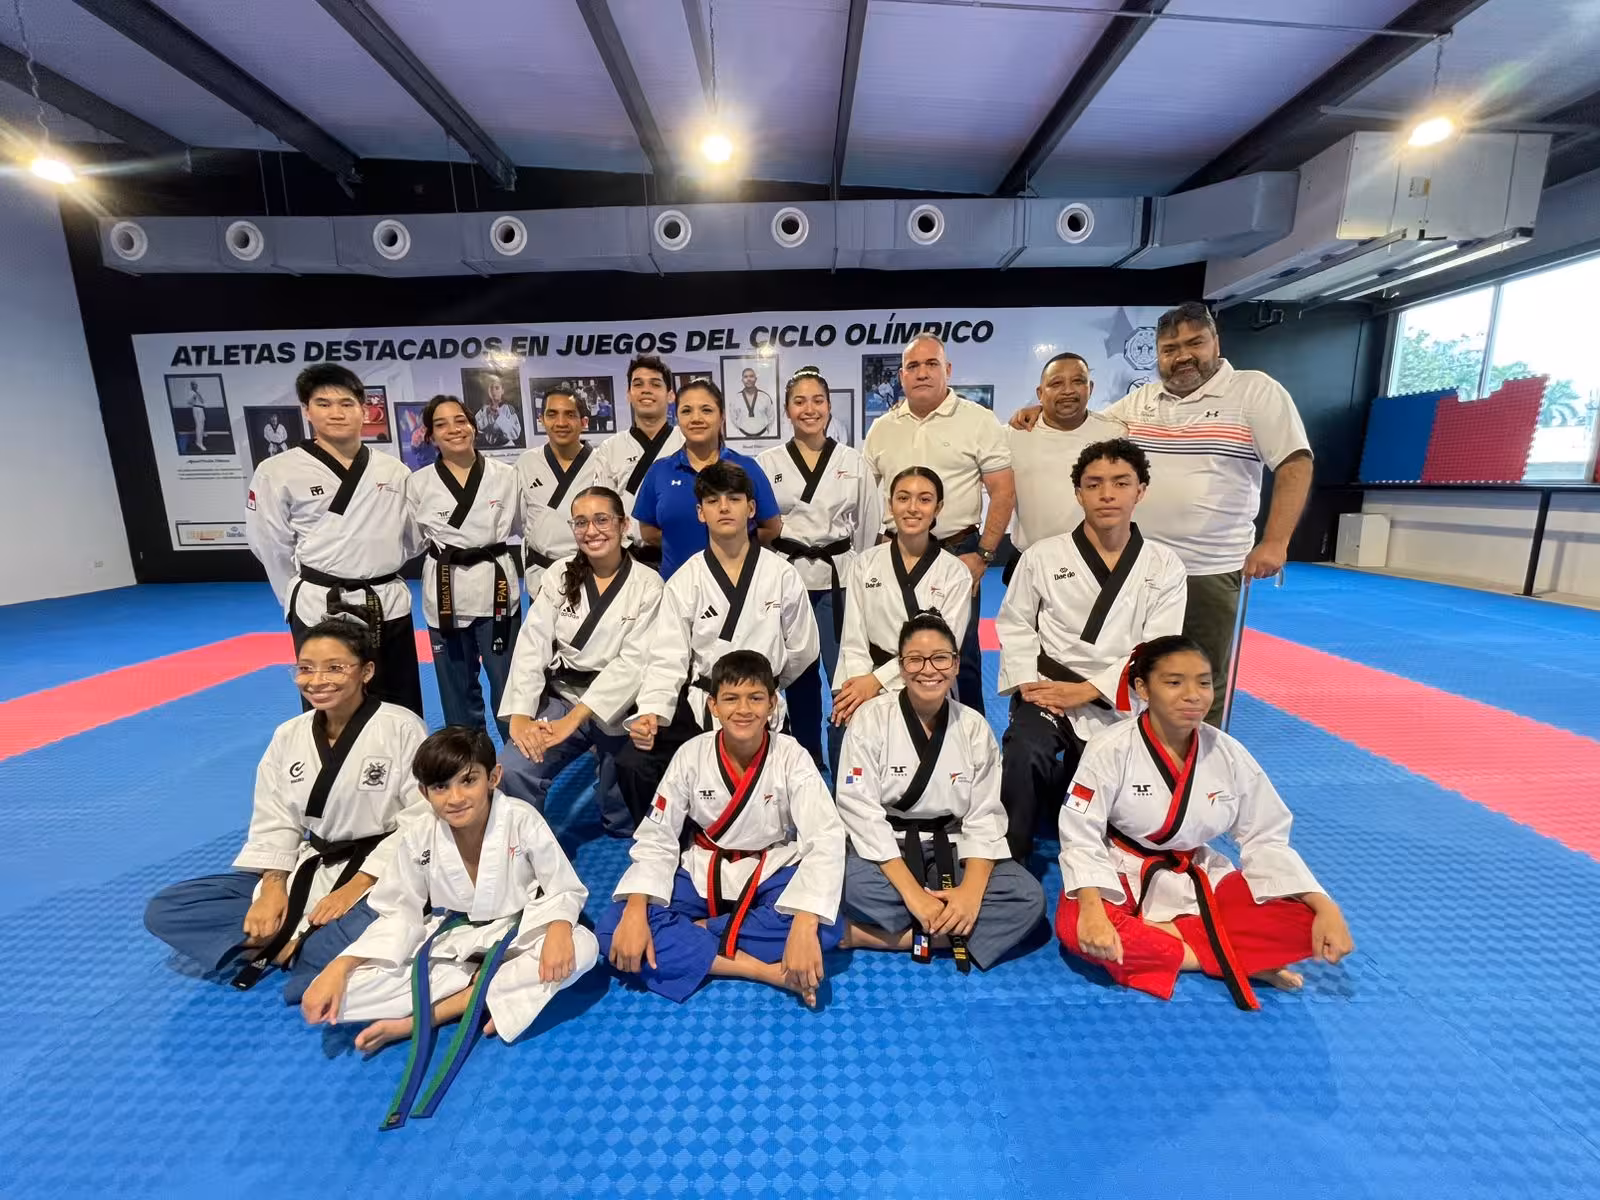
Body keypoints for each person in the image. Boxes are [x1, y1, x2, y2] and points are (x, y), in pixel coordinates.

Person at [1010, 303, 1313, 724]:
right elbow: (1084, 421)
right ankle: (1142, 755)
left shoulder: (1254, 391)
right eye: (1170, 348)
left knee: (1199, 675)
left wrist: (1276, 541)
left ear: (1216, 343)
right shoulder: (1142, 401)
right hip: (1140, 566)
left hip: (1208, 565)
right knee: (1144, 668)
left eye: (1194, 343)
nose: (1182, 356)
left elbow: (1295, 462)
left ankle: (1193, 770)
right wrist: (1036, 411)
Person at [299, 727, 597, 1129]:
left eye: (468, 781)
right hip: (454, 938)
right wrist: (342, 966)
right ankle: (491, 996)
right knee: (344, 995)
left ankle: (428, 1015)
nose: (455, 798)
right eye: (440, 787)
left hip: (519, 931)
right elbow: (399, 912)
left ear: (492, 778)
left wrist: (560, 926)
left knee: (582, 947)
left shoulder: (520, 819)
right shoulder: (419, 834)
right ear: (424, 794)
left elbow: (562, 884)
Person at [1055, 635, 1354, 1008]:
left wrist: (1326, 906)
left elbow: (1266, 838)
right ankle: (1227, 956)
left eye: (1204, 681)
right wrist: (1092, 909)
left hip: (1196, 873)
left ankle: (1179, 946)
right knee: (1075, 928)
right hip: (1124, 868)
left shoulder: (1228, 753)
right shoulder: (1111, 748)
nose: (1193, 694)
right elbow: (1081, 834)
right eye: (1174, 682)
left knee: (1307, 922)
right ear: (1142, 688)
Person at [145, 621, 427, 1001]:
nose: (317, 680)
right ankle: (296, 942)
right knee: (167, 909)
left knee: (387, 919)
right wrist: (273, 889)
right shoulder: (288, 735)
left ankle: (294, 943)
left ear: (367, 672)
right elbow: (274, 816)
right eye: (306, 668)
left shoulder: (401, 728)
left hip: (378, 873)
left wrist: (356, 887)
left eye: (335, 667)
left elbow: (422, 819)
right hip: (309, 866)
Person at [598, 651, 845, 1006]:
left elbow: (825, 837)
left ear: (773, 704)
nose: (743, 709)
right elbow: (658, 837)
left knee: (826, 924)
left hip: (769, 868)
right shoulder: (691, 754)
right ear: (713, 705)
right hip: (704, 868)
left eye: (756, 698)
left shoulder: (792, 756)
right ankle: (758, 968)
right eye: (731, 698)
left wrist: (805, 923)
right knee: (612, 931)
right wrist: (637, 909)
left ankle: (695, 936)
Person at [995, 439, 1186, 863]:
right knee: (1025, 750)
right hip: (1047, 688)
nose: (1107, 494)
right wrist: (1029, 684)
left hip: (1125, 697)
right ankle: (1010, 856)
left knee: (1130, 805)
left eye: (1121, 483)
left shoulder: (1164, 565)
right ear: (1078, 493)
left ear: (1141, 490)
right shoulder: (1042, 556)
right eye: (1094, 484)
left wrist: (1087, 690)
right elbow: (1016, 623)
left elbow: (1158, 650)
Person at [834, 614, 1045, 971]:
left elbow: (984, 818)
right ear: (900, 667)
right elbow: (862, 814)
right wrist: (914, 895)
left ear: (956, 663)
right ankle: (950, 930)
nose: (928, 669)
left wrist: (971, 895)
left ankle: (873, 936)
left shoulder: (974, 727)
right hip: (889, 846)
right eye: (914, 659)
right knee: (841, 880)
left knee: (1028, 898)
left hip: (953, 843)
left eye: (940, 658)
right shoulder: (870, 720)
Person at [617, 462, 819, 826]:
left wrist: (764, 690)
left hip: (761, 705)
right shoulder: (686, 580)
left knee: (782, 791)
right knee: (634, 765)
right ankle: (672, 846)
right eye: (713, 500)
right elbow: (667, 658)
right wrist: (651, 711)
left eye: (734, 499)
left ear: (751, 508)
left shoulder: (782, 575)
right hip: (703, 702)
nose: (724, 507)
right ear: (700, 512)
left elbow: (802, 650)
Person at [245, 363, 423, 716]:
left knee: (398, 699)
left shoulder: (393, 470)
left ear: (364, 409)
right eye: (323, 404)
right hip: (319, 603)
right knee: (330, 701)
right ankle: (335, 767)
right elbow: (270, 544)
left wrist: (376, 561)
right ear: (306, 411)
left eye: (346, 403)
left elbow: (413, 538)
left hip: (385, 600)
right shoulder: (278, 471)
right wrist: (297, 595)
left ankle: (404, 767)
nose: (336, 413)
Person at [498, 486, 663, 837]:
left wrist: (572, 723)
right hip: (562, 697)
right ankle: (526, 844)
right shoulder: (559, 574)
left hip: (620, 706)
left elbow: (632, 664)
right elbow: (532, 645)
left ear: (623, 525)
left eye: (602, 520)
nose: (591, 531)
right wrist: (521, 716)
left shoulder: (648, 584)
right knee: (513, 768)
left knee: (624, 819)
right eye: (581, 522)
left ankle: (610, 780)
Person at [863, 335, 1014, 716]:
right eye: (913, 366)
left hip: (959, 551)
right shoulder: (883, 427)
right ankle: (900, 733)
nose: (922, 372)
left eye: (931, 364)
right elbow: (866, 497)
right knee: (897, 644)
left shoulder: (978, 421)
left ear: (947, 371)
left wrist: (982, 556)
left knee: (960, 654)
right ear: (901, 376)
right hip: (897, 553)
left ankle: (970, 742)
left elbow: (1003, 491)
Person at [757, 366, 881, 775]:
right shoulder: (766, 462)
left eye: (817, 401)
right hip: (788, 578)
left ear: (829, 408)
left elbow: (867, 525)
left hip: (838, 578)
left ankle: (848, 758)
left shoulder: (853, 461)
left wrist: (858, 575)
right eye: (799, 401)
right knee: (798, 672)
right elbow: (759, 525)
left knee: (843, 671)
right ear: (787, 411)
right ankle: (806, 759)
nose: (809, 409)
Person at [832, 466, 971, 775]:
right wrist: (860, 688)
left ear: (938, 508)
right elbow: (853, 639)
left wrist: (879, 681)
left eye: (924, 499)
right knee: (843, 737)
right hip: (865, 677)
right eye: (903, 498)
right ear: (890, 504)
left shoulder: (954, 573)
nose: (912, 508)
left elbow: (944, 652)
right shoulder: (864, 564)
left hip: (930, 680)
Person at [407, 395, 522, 740]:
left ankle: (516, 769)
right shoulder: (419, 483)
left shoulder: (506, 476)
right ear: (430, 436)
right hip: (446, 593)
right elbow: (414, 541)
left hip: (496, 590)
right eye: (441, 424)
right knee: (456, 690)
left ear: (473, 425)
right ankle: (469, 765)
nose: (453, 429)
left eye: (460, 420)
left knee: (510, 688)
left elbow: (518, 525)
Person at [633, 378, 783, 580]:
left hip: (739, 585)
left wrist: (735, 544)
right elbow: (648, 531)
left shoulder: (747, 468)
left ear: (722, 417)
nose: (696, 418)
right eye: (686, 411)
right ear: (676, 418)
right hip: (678, 587)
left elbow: (771, 528)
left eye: (706, 410)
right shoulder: (660, 471)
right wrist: (681, 541)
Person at [1006, 352, 1124, 577]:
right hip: (1029, 562)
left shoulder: (1115, 433)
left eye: (1077, 381)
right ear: (1040, 393)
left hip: (1097, 562)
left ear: (1090, 387)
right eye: (1056, 383)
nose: (1068, 390)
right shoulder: (1012, 435)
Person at [592, 355, 684, 570]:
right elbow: (603, 510)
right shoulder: (610, 448)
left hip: (682, 554)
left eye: (655, 384)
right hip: (628, 558)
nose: (646, 390)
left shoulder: (686, 441)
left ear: (670, 395)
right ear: (628, 395)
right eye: (638, 384)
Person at [516, 386, 605, 593]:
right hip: (542, 574)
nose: (561, 423)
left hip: (593, 571)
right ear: (541, 420)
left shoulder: (601, 461)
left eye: (570, 415)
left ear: (584, 422)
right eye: (552, 414)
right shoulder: (527, 463)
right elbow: (520, 521)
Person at [474, 373, 523, 449]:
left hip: (507, 448)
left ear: (502, 391)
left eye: (497, 388)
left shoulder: (508, 409)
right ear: (488, 391)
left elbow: (515, 432)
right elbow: (474, 427)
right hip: (490, 449)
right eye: (491, 388)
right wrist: (487, 416)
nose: (494, 391)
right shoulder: (484, 409)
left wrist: (500, 417)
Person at [730, 365, 777, 438]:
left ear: (756, 379)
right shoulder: (735, 398)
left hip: (763, 435)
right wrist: (739, 432)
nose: (748, 379)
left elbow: (771, 417)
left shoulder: (765, 397)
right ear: (742, 380)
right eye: (745, 377)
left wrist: (767, 433)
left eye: (751, 376)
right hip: (742, 436)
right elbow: (733, 418)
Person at [188, 380, 208, 453]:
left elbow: (203, 401)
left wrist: (199, 395)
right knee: (199, 426)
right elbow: (189, 402)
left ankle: (202, 433)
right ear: (191, 386)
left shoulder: (198, 392)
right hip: (196, 409)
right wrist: (192, 398)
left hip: (201, 409)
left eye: (196, 385)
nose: (195, 386)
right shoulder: (190, 393)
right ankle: (199, 443)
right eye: (193, 385)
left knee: (202, 423)